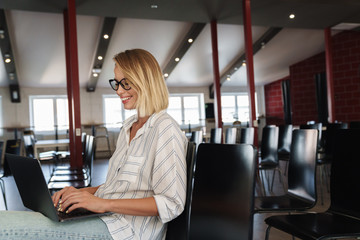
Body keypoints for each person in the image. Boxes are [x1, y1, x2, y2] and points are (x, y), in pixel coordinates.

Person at [0, 49, 188, 240]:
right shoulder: (129, 127)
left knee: (4, 226)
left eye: (126, 83)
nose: (119, 90)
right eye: (117, 83)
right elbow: (119, 187)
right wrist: (81, 193)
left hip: (126, 231)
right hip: (106, 218)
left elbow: (171, 203)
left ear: (146, 81)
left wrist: (104, 204)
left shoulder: (165, 129)